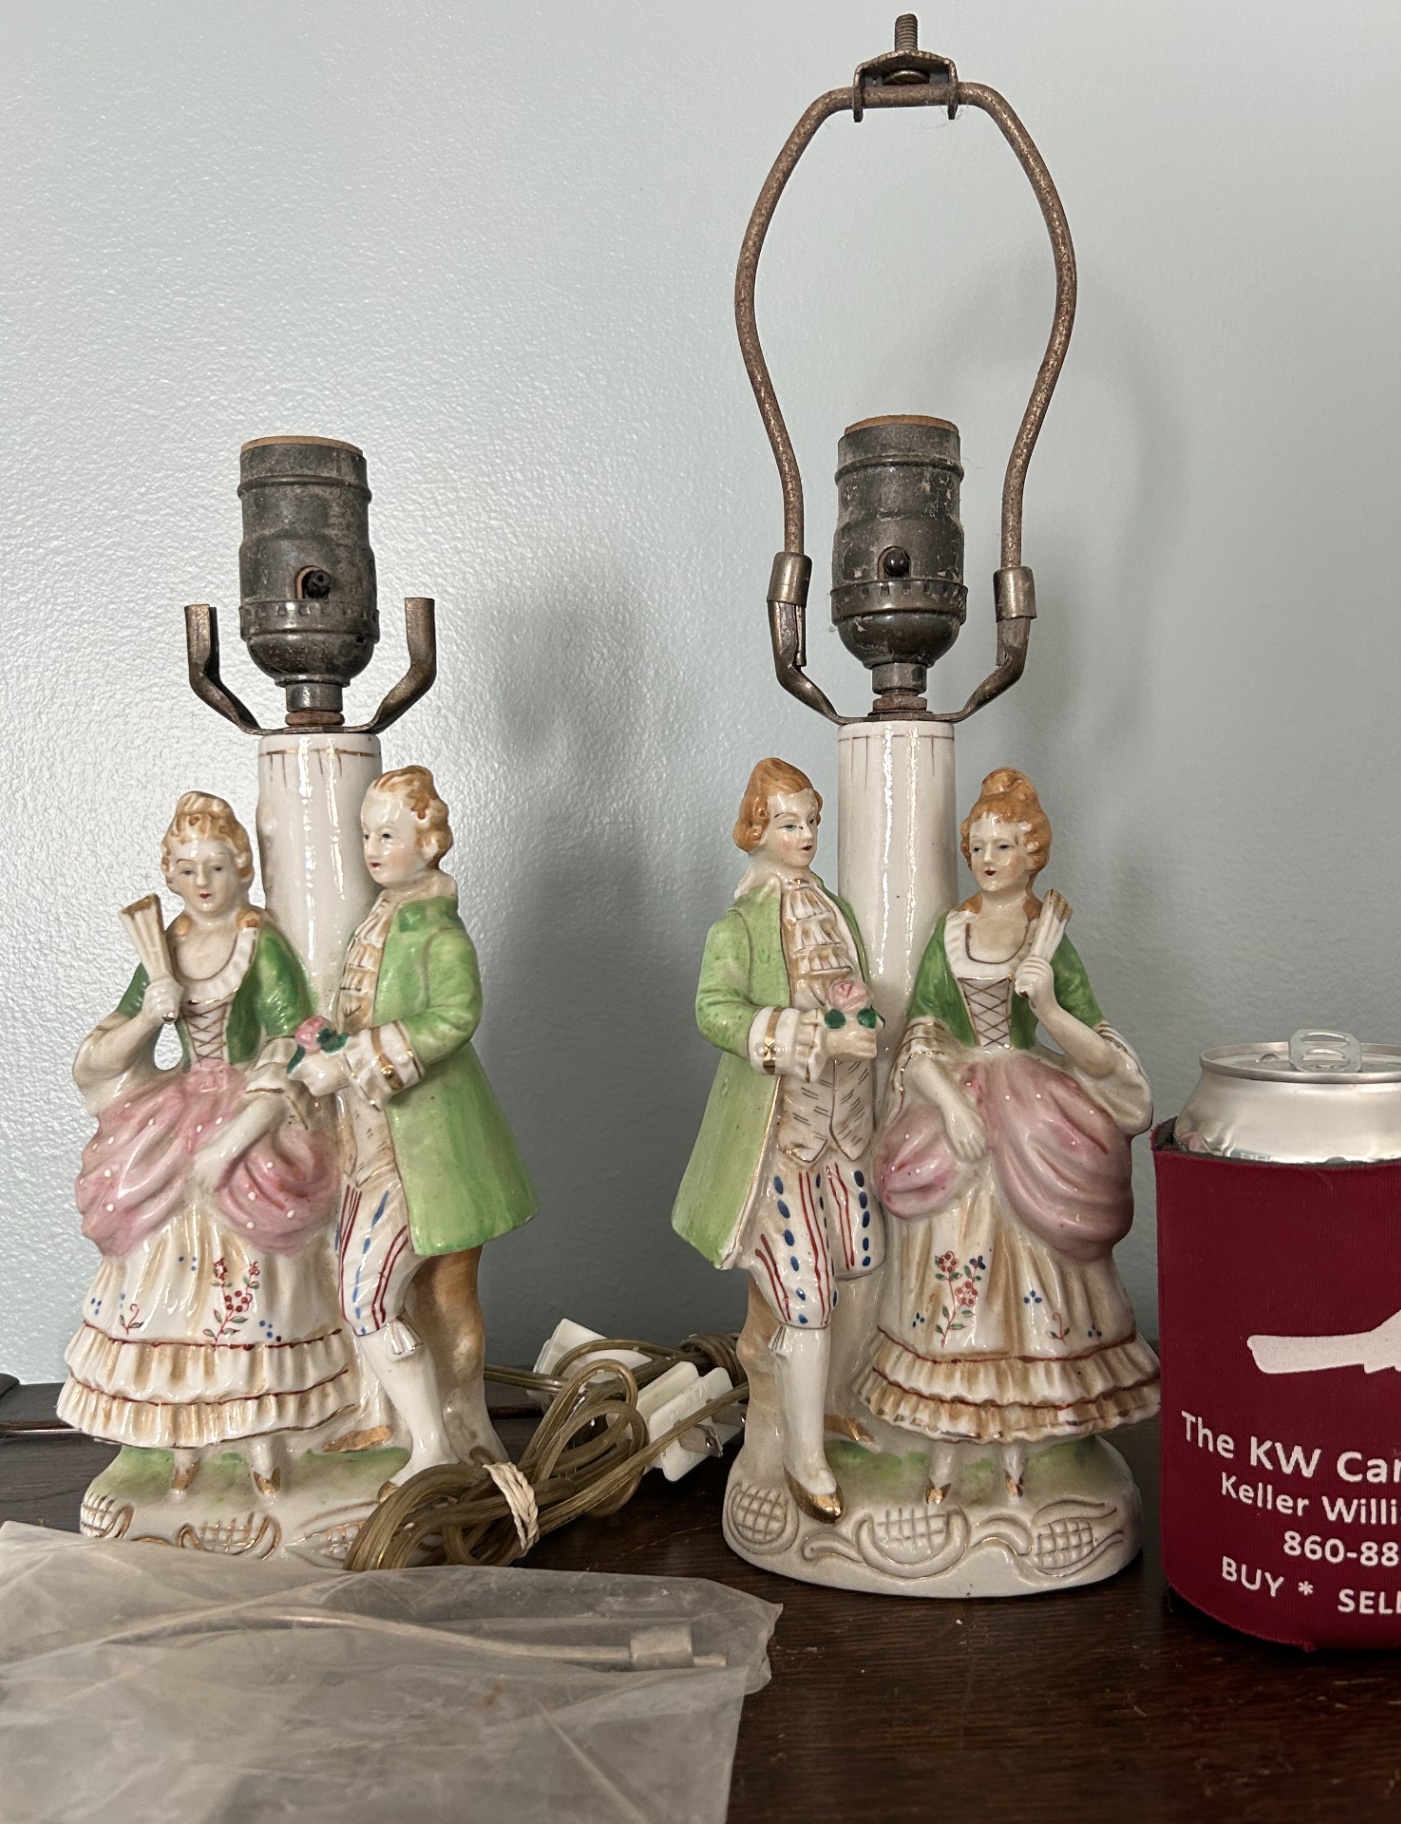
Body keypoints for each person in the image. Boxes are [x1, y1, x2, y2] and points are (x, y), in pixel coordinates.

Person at [860, 767, 1159, 1500]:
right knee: (951, 1257)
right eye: (978, 847)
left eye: (1003, 846)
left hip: (1030, 1107)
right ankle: (945, 1444)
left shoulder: (1045, 937)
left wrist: (1046, 1003)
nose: (988, 859)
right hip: (957, 1097)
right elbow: (921, 1033)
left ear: (1032, 853)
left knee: (1032, 1265)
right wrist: (952, 1107)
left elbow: (1098, 1053)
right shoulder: (952, 931)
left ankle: (1026, 1447)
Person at [58, 793, 348, 1496]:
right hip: (180, 1100)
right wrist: (148, 1017)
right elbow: (106, 1050)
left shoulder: (258, 939)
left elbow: (291, 1034)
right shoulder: (167, 946)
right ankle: (182, 1434)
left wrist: (247, 1121)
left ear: (241, 866)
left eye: (215, 866)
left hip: (247, 1096)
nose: (203, 882)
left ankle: (261, 1437)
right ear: (171, 874)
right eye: (187, 870)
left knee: (250, 1234)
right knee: (144, 1219)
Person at [291, 766, 537, 1483]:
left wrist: (353, 1059)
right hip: (369, 1146)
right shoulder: (377, 919)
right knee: (372, 1294)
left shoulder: (437, 931)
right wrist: (325, 1042)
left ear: (428, 843)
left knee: (400, 1296)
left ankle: (445, 1438)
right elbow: (358, 1009)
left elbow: (455, 1016)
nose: (373, 849)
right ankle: (415, 1429)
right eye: (367, 834)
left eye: (389, 835)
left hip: (423, 1151)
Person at [672, 758, 881, 1523]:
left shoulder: (837, 910)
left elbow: (853, 995)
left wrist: (863, 1027)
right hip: (780, 1141)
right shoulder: (739, 926)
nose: (804, 836)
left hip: (845, 1133)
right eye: (789, 823)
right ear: (757, 829)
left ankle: (826, 1403)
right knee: (807, 1297)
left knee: (863, 1266)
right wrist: (812, 1037)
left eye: (811, 822)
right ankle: (802, 1457)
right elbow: (714, 1011)